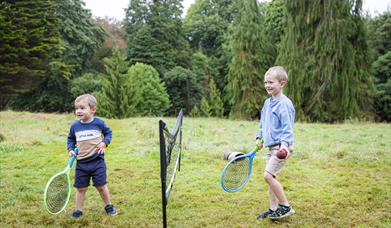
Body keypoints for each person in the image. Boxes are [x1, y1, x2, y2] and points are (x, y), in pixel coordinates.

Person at [67, 94, 117, 219]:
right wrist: (71, 149)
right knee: (80, 188)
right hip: (81, 163)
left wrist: (104, 143)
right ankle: (78, 211)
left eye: (82, 108)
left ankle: (109, 206)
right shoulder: (75, 126)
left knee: (101, 186)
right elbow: (71, 139)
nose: (78, 111)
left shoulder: (99, 123)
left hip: (97, 161)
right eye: (76, 108)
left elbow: (108, 133)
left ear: (93, 109)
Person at [255, 66, 295, 220]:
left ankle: (285, 207)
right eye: (265, 82)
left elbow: (287, 128)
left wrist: (284, 147)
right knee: (272, 178)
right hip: (271, 147)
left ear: (282, 83)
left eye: (271, 82)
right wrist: (259, 138)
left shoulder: (284, 104)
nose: (267, 85)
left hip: (281, 148)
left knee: (267, 176)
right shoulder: (267, 103)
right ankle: (273, 210)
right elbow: (263, 124)